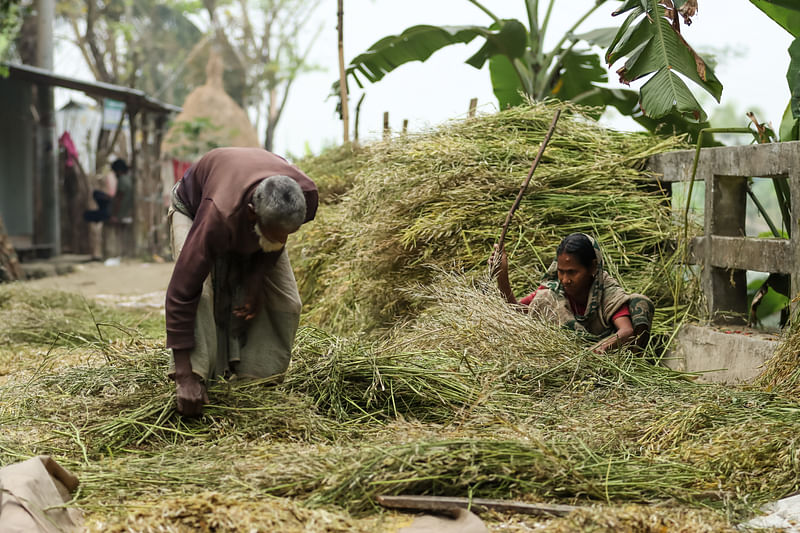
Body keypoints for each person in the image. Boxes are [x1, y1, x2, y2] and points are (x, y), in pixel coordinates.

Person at [166, 147, 318, 416]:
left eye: (288, 235)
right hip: (193, 206)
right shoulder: (218, 215)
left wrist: (255, 283)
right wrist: (183, 375)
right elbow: (182, 290)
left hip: (247, 210)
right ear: (251, 215)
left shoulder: (305, 196)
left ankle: (257, 382)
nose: (283, 241)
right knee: (202, 293)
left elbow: (275, 243)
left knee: (287, 301)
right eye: (276, 234)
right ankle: (195, 380)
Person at [489, 232, 653, 353]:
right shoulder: (552, 292)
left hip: (607, 357)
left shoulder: (606, 289)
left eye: (572, 272)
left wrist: (598, 349)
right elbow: (515, 311)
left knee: (639, 302)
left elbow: (626, 331)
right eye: (561, 271)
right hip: (566, 355)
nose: (565, 279)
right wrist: (502, 275)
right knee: (544, 298)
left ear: (592, 267)